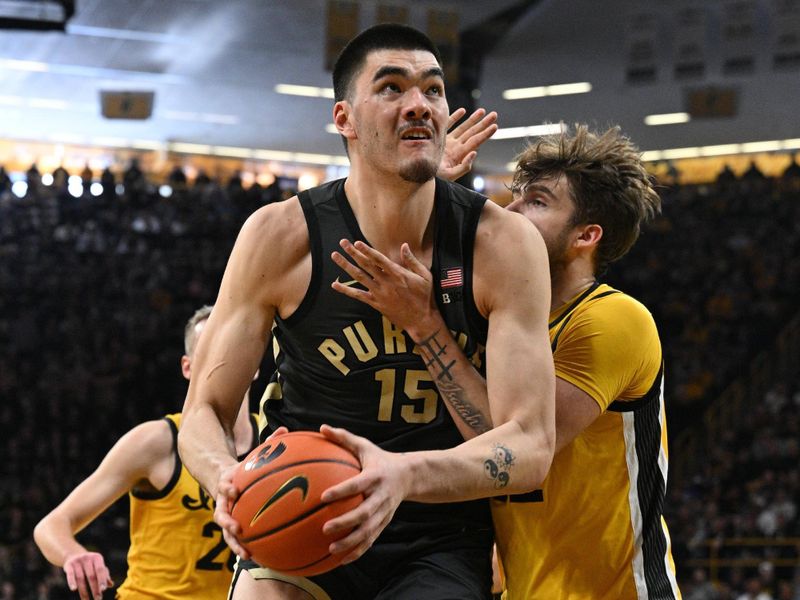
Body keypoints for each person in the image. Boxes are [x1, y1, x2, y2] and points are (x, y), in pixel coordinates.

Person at [178, 23, 555, 600]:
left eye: (433, 90)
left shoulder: (502, 244)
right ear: (344, 119)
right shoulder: (280, 235)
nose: (419, 106)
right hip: (302, 505)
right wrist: (227, 479)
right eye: (392, 88)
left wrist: (402, 476)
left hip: (438, 532)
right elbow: (203, 408)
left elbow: (529, 447)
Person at [342, 125, 682, 598]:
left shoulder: (612, 320)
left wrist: (425, 326)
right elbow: (382, 267)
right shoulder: (503, 320)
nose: (511, 211)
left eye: (537, 202)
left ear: (587, 235)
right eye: (517, 196)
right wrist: (423, 190)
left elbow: (510, 449)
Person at [33, 306, 258, 600]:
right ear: (187, 367)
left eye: (230, 348)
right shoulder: (157, 441)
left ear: (253, 366)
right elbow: (51, 525)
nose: (221, 361)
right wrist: (73, 554)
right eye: (209, 351)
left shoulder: (276, 440)